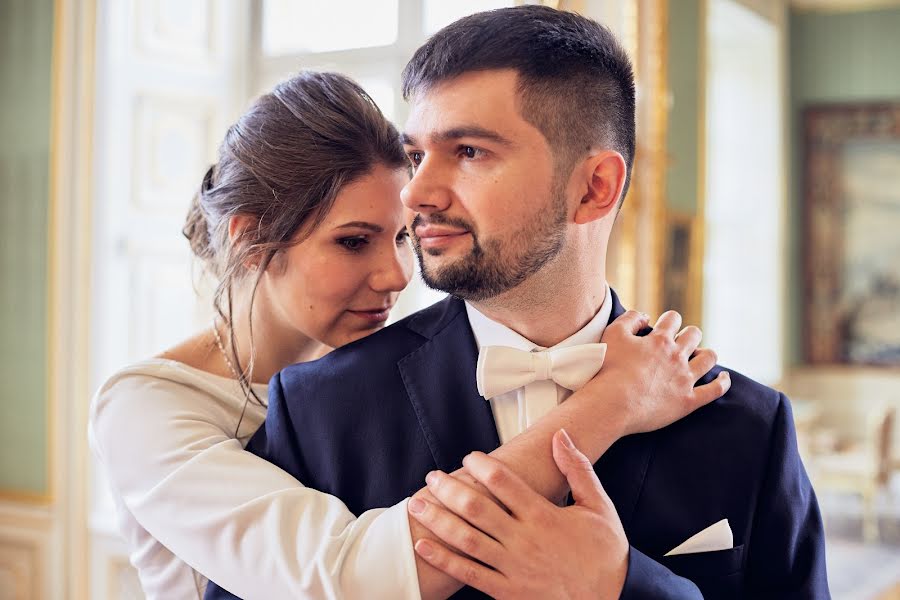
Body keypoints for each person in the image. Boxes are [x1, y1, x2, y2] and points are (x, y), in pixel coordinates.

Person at [205, 6, 829, 600]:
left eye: (469, 152)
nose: (416, 191)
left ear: (594, 188)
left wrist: (619, 588)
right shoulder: (321, 408)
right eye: (417, 155)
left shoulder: (748, 425)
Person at [90, 71, 724, 599]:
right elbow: (346, 577)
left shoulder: (378, 374)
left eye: (400, 236)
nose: (396, 274)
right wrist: (612, 402)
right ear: (251, 240)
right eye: (354, 241)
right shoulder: (144, 407)